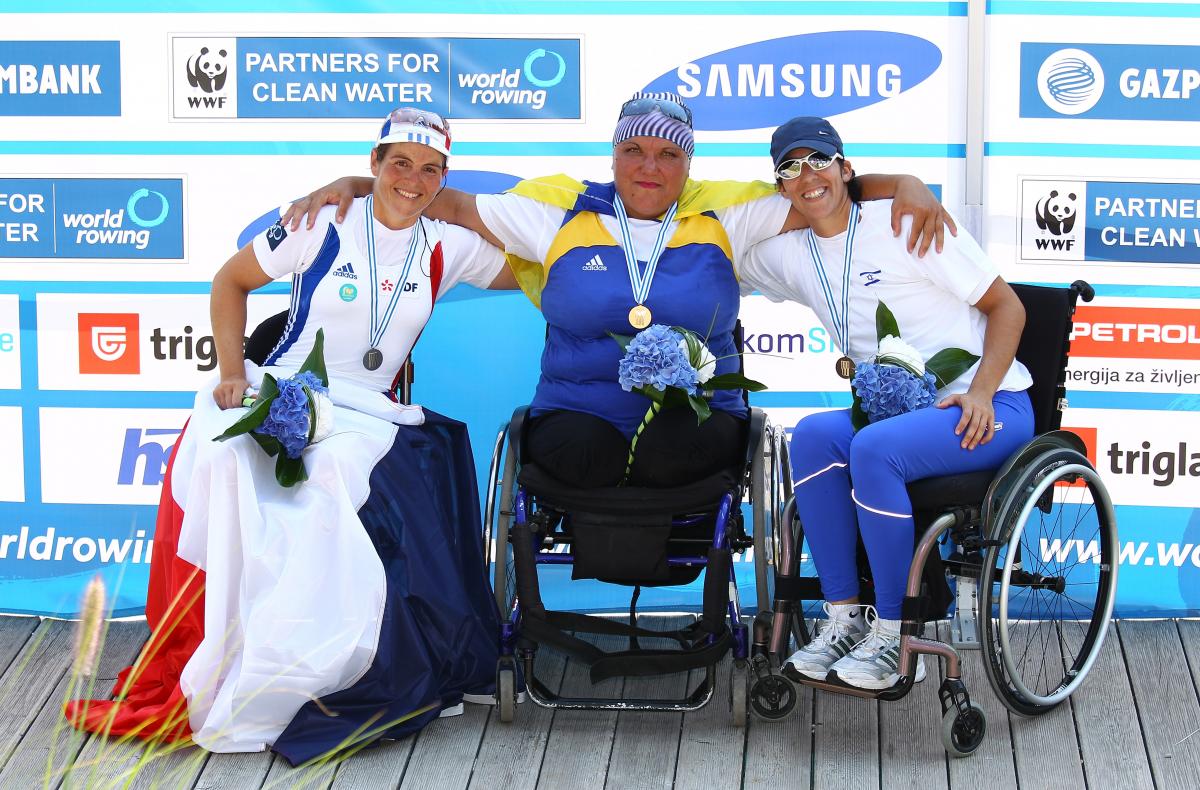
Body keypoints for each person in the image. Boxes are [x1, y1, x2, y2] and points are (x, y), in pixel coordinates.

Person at [64, 108, 515, 764]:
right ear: (374, 161)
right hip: (286, 390)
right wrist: (227, 373)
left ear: (444, 177)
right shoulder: (322, 220)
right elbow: (231, 281)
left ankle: (327, 667)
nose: (412, 181)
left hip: (369, 413)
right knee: (227, 461)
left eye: (429, 169)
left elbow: (540, 266)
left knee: (331, 479)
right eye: (398, 164)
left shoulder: (449, 244)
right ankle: (242, 653)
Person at [284, 91, 954, 490]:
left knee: (671, 454)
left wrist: (908, 185)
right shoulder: (561, 212)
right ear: (614, 156)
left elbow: (819, 192)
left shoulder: (725, 214)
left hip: (698, 414)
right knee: (582, 453)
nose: (649, 166)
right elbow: (444, 202)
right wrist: (357, 186)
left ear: (687, 163)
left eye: (668, 154)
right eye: (635, 150)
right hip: (580, 412)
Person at [738, 116, 1033, 690]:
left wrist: (980, 391)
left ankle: (898, 633)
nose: (808, 175)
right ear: (782, 189)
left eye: (820, 160)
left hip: (989, 409)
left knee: (872, 447)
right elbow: (723, 246)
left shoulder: (906, 222)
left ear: (847, 168)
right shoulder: (792, 253)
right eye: (790, 168)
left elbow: (1009, 308)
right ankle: (846, 619)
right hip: (897, 417)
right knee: (816, 435)